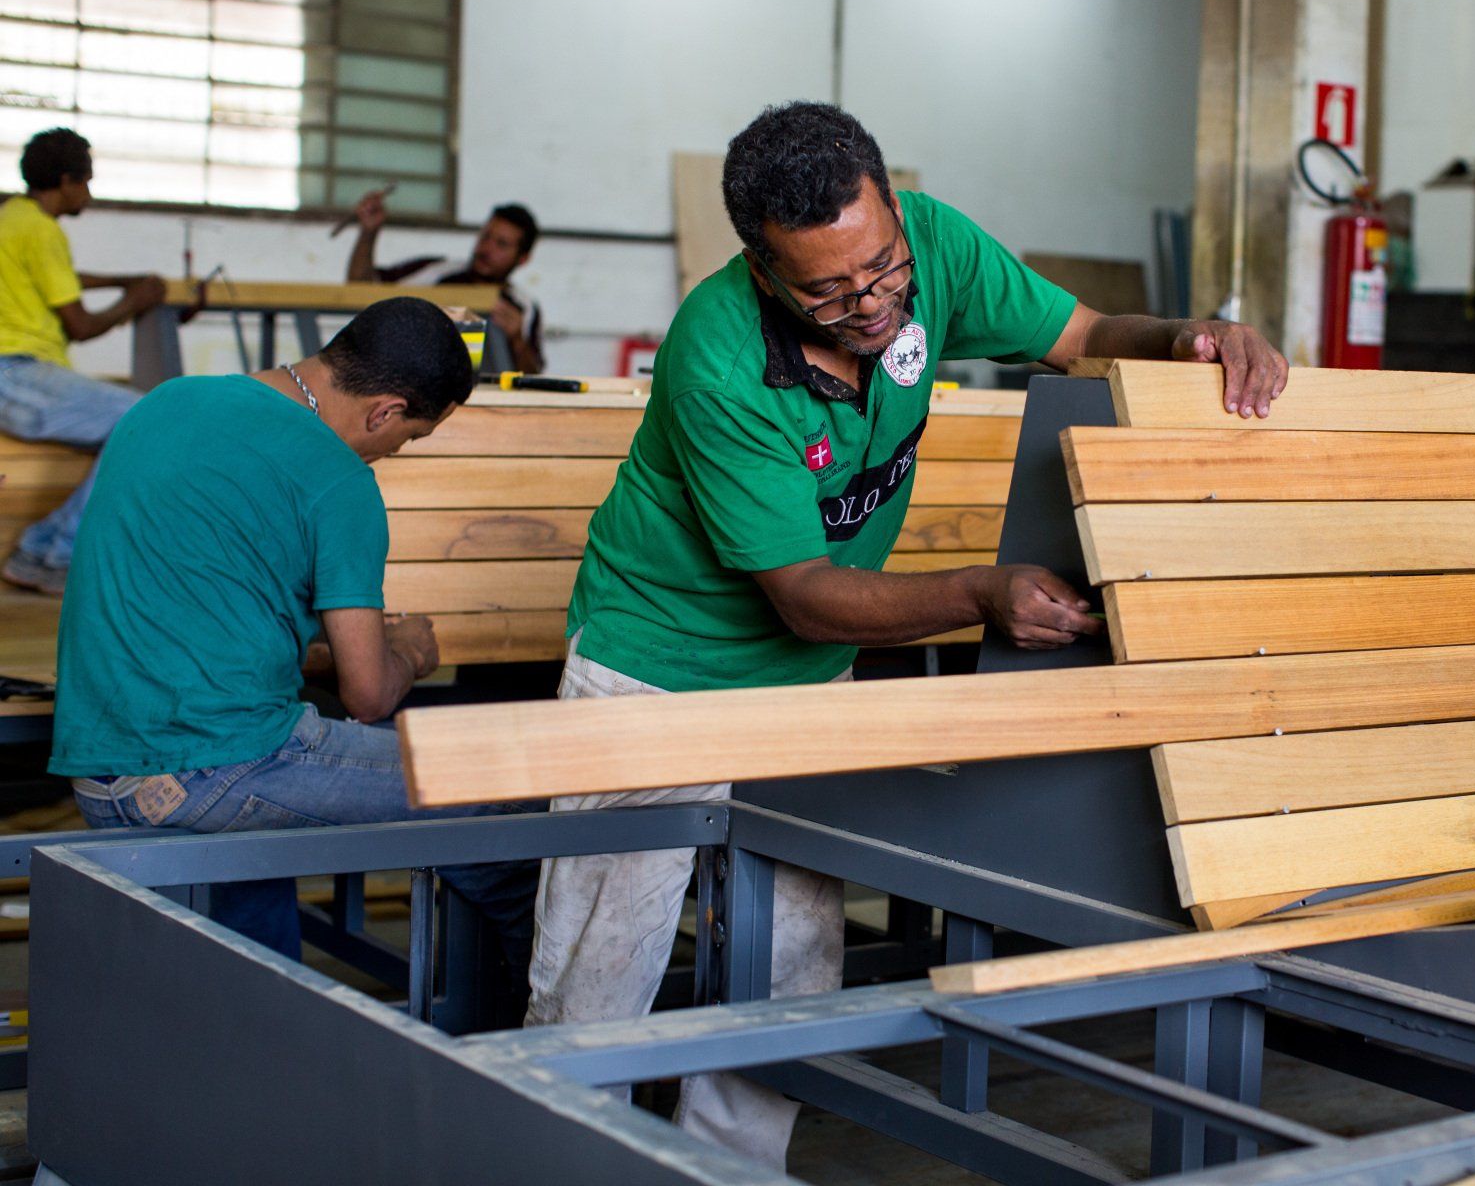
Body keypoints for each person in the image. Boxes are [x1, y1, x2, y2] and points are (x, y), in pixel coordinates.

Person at [528, 101, 1288, 1168]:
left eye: (881, 267)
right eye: (828, 289)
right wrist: (982, 592)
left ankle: (732, 1165)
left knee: (793, 956)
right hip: (658, 667)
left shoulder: (929, 245)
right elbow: (802, 591)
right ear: (760, 266)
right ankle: (552, 1154)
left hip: (804, 683)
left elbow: (1078, 336)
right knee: (601, 964)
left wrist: (1185, 336)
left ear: (891, 207)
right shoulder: (718, 358)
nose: (871, 301)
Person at [50, 297, 539, 968]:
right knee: (495, 800)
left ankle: (259, 1029)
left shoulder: (167, 403)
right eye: (409, 437)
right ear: (385, 410)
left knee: (261, 869)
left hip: (97, 765)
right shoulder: (340, 482)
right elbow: (368, 696)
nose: (394, 452)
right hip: (216, 768)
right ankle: (525, 1029)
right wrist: (410, 651)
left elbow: (205, 601)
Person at [0, 127, 166, 595]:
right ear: (68, 180)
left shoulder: (13, 217)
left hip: (14, 375)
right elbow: (81, 325)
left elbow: (59, 279)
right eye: (87, 182)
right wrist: (136, 299)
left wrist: (121, 279)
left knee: (128, 425)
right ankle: (49, 550)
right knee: (147, 416)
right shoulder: (41, 229)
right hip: (15, 373)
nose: (89, 194)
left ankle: (48, 550)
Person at [346, 192, 546, 374]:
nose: (486, 248)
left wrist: (517, 341)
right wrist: (368, 233)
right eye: (485, 236)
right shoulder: (436, 271)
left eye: (501, 244)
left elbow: (534, 377)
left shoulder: (524, 307)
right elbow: (360, 287)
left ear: (523, 259)